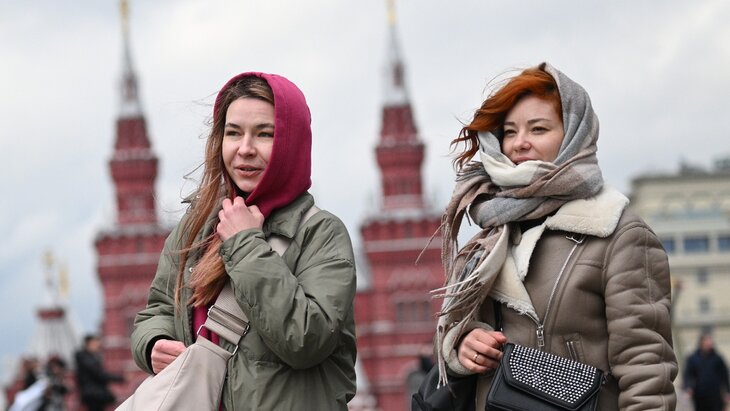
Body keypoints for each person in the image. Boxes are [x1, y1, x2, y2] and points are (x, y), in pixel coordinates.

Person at [433, 63, 677, 410]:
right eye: (510, 132)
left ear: (574, 136)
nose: (520, 143)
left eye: (539, 129)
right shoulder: (492, 234)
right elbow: (458, 326)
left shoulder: (618, 234)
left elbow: (646, 367)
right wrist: (466, 342)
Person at [130, 72, 357, 410]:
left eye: (265, 134)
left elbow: (307, 340)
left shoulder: (320, 233)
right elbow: (161, 307)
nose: (245, 149)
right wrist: (153, 343)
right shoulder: (197, 227)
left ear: (292, 143)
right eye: (233, 132)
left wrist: (245, 243)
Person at [75, 334, 124, 411]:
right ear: (89, 344)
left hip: (94, 393)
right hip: (93, 394)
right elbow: (100, 375)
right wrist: (120, 378)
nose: (97, 346)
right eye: (95, 343)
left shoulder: (88, 358)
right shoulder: (86, 359)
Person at [684, 332, 730, 411]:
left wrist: (727, 392)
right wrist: (688, 387)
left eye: (710, 341)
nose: (710, 343)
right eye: (707, 341)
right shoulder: (693, 358)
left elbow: (724, 375)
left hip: (715, 395)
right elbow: (688, 374)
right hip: (699, 395)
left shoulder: (717, 358)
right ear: (702, 342)